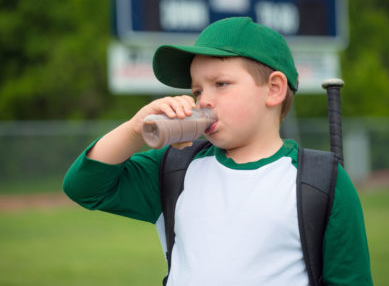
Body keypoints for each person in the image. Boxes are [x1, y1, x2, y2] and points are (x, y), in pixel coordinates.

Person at [63, 17, 372, 285]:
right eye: (197, 90)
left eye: (221, 84)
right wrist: (135, 129)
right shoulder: (175, 168)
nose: (203, 100)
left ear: (274, 89)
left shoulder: (319, 181)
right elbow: (85, 187)